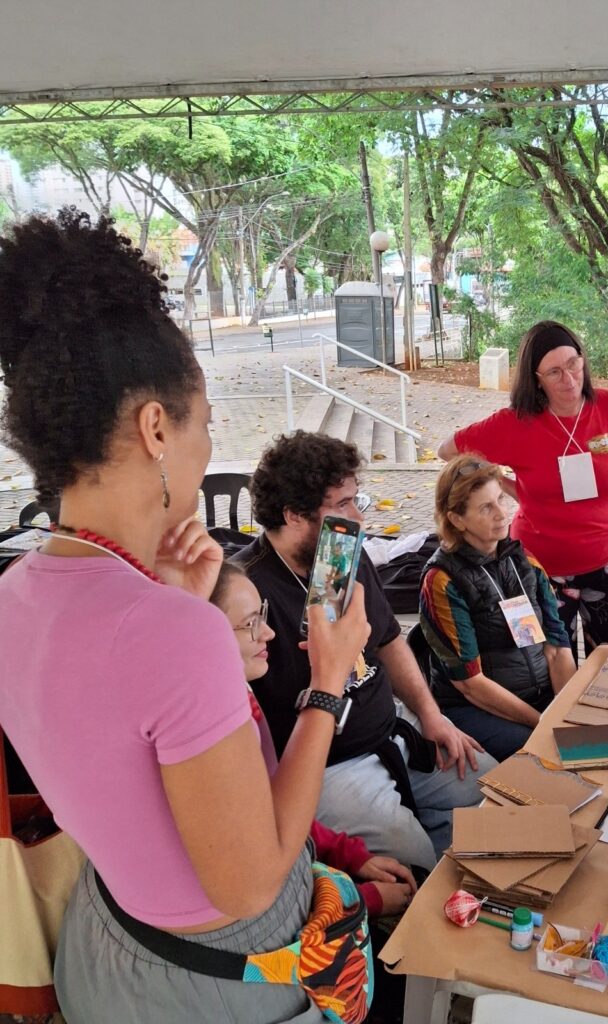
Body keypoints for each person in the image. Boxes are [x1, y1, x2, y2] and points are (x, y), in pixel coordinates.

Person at [0, 210, 370, 1022]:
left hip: (109, 943)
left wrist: (164, 595)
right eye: (204, 423)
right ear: (157, 428)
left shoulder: (16, 593)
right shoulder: (176, 631)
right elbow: (249, 880)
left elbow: (110, 750)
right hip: (217, 978)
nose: (208, 445)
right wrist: (329, 683)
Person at [232, 431, 496, 871]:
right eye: (342, 505)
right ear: (294, 515)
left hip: (396, 731)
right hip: (331, 767)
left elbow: (389, 639)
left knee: (496, 793)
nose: (356, 516)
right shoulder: (244, 592)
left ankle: (441, 846)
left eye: (357, 500)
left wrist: (431, 716)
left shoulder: (339, 554)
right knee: (417, 868)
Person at [438, 320, 608, 658]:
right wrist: (509, 487)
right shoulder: (516, 423)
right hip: (535, 570)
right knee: (540, 670)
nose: (570, 378)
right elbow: (449, 451)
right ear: (537, 379)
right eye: (555, 372)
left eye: (574, 363)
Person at [208, 562, 417, 919]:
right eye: (250, 623)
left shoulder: (237, 694)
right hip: (280, 927)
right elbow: (266, 891)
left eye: (264, 615)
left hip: (309, 865)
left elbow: (276, 811)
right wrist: (364, 900)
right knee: (418, 871)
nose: (270, 633)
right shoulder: (212, 744)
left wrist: (353, 856)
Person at [419, 456, 577, 761]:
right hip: (474, 707)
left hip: (538, 697)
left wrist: (567, 712)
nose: (502, 513)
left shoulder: (522, 561)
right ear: (457, 520)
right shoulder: (442, 580)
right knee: (546, 753)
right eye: (486, 507)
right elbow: (470, 684)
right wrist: (543, 723)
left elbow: (557, 648)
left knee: (586, 742)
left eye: (500, 499)